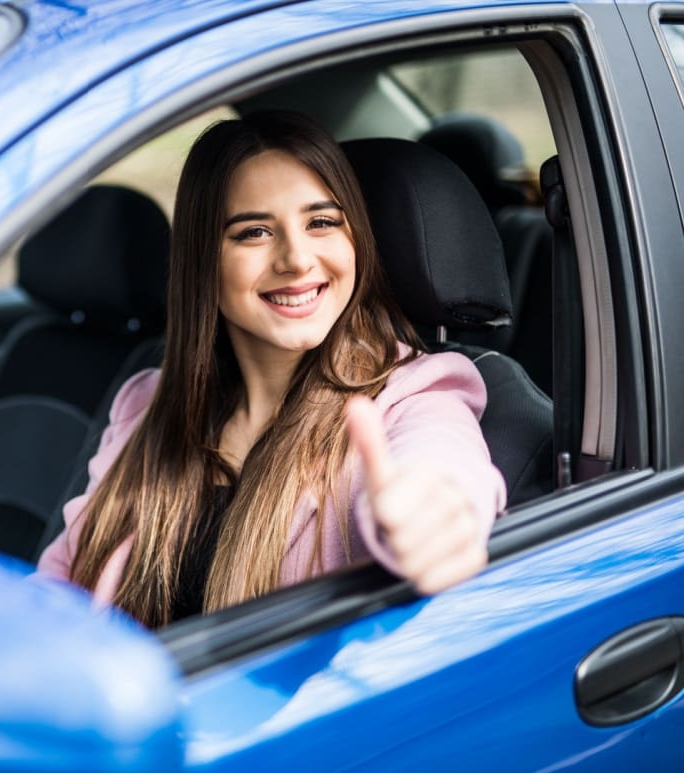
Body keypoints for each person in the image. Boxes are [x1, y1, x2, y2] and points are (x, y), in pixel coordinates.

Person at [37, 110, 506, 628]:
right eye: (255, 231)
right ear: (204, 261)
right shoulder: (144, 405)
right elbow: (59, 589)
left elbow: (442, 469)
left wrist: (431, 518)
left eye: (322, 222)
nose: (297, 259)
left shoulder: (417, 394)